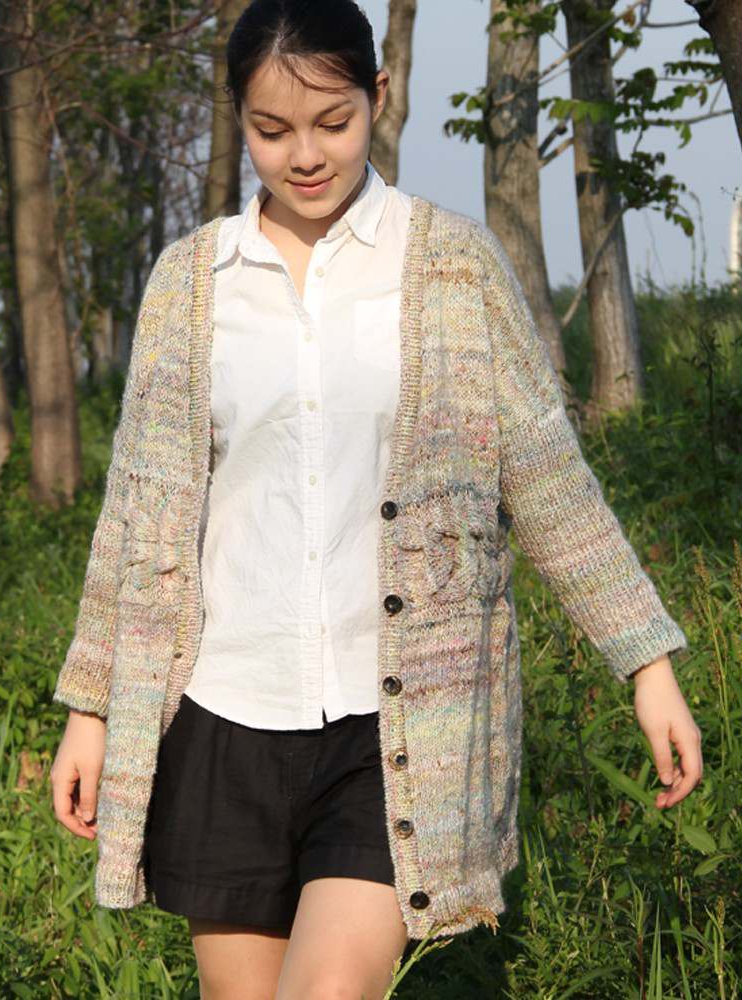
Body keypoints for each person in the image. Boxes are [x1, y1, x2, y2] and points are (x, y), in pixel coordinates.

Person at [50, 1, 704, 998]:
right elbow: (138, 517)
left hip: (392, 725)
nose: (305, 155)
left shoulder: (451, 267)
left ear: (379, 95)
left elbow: (547, 479)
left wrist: (645, 664)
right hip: (223, 716)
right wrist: (91, 708)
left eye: (333, 121)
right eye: (272, 130)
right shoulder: (189, 284)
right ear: (240, 119)